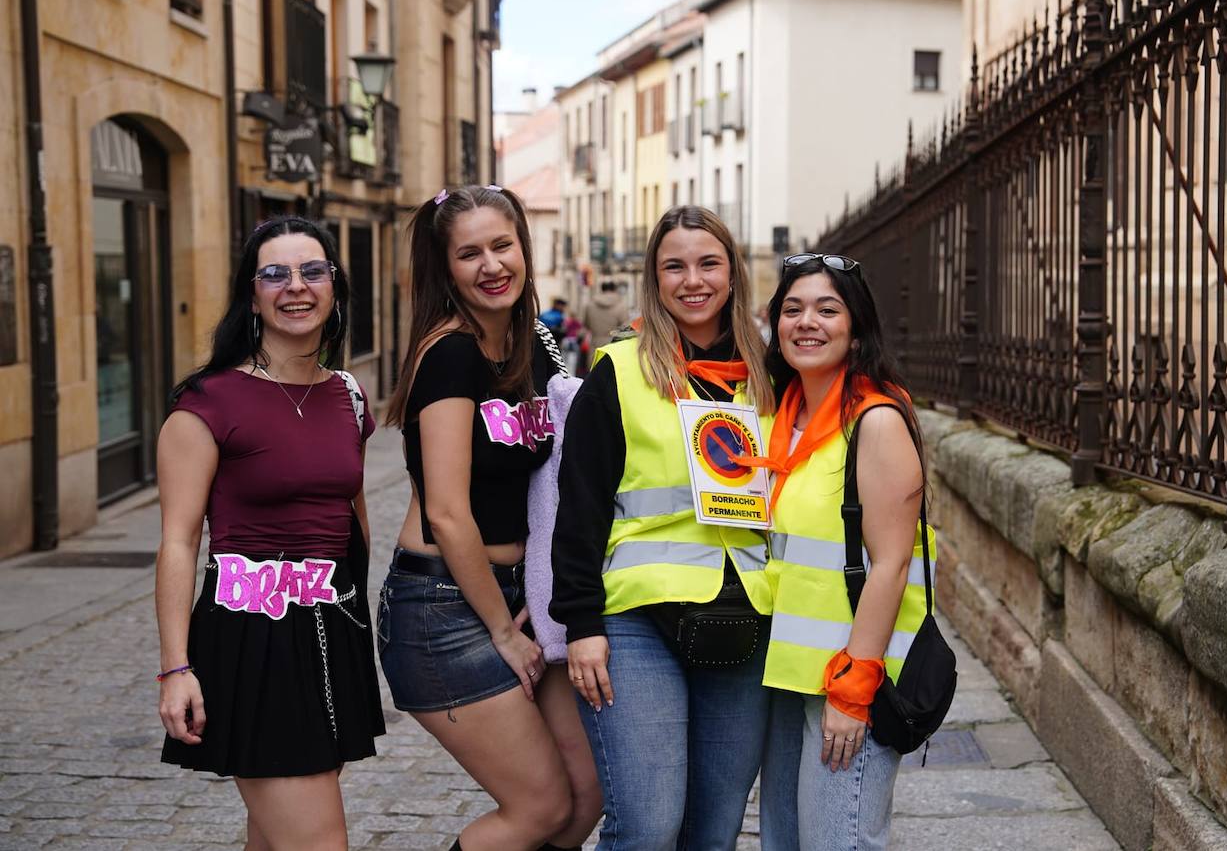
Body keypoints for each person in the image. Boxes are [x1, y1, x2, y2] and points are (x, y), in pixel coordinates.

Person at [378, 185, 600, 851]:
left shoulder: (528, 344)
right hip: (442, 607)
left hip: (516, 597)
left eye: (502, 246)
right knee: (539, 807)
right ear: (447, 271)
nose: (491, 265)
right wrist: (503, 633)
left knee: (587, 792)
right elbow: (447, 512)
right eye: (469, 254)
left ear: (524, 249)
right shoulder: (450, 356)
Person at [551, 205, 776, 850]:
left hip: (744, 617)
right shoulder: (617, 372)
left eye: (708, 263)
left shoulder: (770, 376)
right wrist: (582, 627)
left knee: (714, 830)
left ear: (732, 273)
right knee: (647, 826)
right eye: (674, 266)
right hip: (636, 621)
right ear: (655, 279)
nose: (693, 280)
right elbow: (580, 508)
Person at [156, 216, 385, 850]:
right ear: (251, 292)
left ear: (335, 286)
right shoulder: (207, 404)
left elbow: (350, 512)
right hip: (252, 639)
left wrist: (361, 618)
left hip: (332, 631)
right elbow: (178, 542)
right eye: (275, 273)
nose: (296, 286)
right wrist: (176, 667)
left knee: (274, 837)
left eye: (313, 270)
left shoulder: (348, 395)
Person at [755, 253, 929, 851]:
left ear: (856, 329)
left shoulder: (875, 421)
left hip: (850, 677)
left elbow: (893, 562)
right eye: (793, 308)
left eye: (828, 310)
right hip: (789, 675)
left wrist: (854, 689)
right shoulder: (785, 417)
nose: (808, 322)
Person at [583, 279, 629, 345]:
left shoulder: (590, 305)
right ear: (614, 289)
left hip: (595, 344)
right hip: (613, 345)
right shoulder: (621, 306)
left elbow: (587, 325)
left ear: (602, 289)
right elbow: (625, 327)